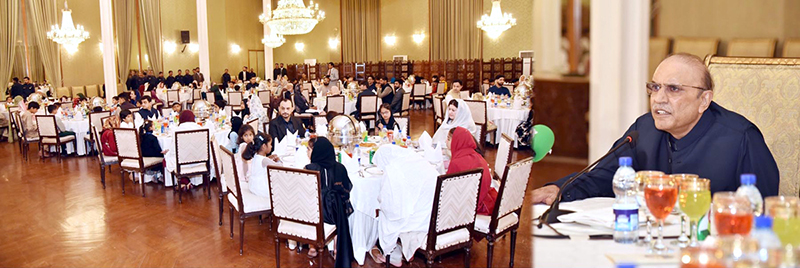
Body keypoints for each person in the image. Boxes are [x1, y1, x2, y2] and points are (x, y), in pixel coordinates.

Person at [530, 53, 781, 205]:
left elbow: (765, 210)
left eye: (673, 89)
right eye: (655, 87)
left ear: (704, 100)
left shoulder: (741, 139)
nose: (658, 98)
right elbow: (602, 176)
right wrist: (559, 189)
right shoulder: (644, 129)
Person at [303, 137, 354, 266]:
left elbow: (303, 192)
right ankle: (337, 249)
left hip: (314, 213)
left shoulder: (309, 168)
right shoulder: (340, 168)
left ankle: (312, 247)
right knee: (341, 207)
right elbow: (346, 189)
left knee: (309, 205)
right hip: (334, 214)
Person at [447, 127, 497, 215]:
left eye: (448, 139)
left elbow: (448, 189)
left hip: (470, 206)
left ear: (456, 141)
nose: (445, 142)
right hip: (484, 197)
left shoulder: (456, 162)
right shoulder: (476, 155)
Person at [241, 132, 281, 198]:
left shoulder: (256, 156)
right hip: (261, 188)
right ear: (264, 146)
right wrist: (278, 160)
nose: (271, 146)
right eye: (270, 144)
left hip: (253, 185)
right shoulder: (264, 160)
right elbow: (279, 167)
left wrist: (269, 158)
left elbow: (262, 162)